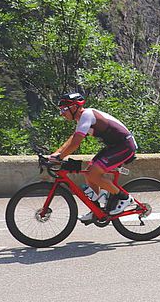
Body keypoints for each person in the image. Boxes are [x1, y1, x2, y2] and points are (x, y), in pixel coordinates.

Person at [51, 92, 138, 220]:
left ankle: (125, 198)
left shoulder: (86, 115)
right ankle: (96, 209)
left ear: (74, 107)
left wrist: (60, 157)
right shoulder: (81, 119)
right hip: (114, 146)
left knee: (94, 173)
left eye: (64, 109)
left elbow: (75, 143)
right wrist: (56, 153)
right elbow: (73, 138)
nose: (62, 113)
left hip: (125, 145)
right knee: (88, 173)